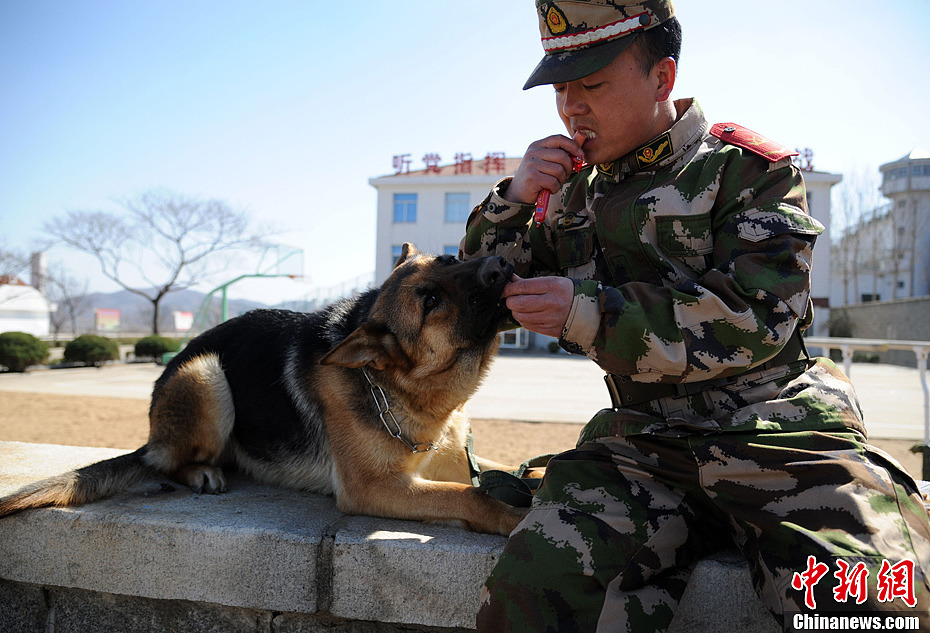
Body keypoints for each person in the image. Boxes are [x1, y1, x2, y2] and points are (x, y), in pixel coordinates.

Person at [459, 1, 930, 631]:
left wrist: (590, 313)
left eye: (592, 85)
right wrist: (514, 202)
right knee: (535, 591)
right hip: (643, 447)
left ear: (663, 78)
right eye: (562, 90)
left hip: (782, 440)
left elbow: (757, 314)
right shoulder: (567, 193)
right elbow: (474, 296)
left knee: (869, 605)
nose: (572, 107)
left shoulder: (748, 171)